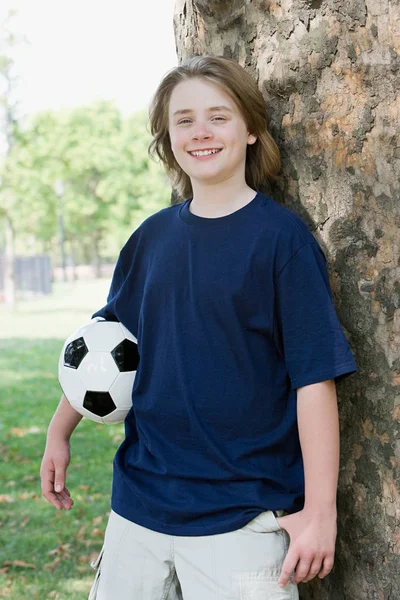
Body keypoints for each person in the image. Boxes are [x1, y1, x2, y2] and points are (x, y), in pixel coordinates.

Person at [40, 55, 357, 599]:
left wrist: (319, 512)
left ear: (251, 130)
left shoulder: (281, 242)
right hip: (139, 507)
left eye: (219, 116)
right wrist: (58, 429)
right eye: (184, 119)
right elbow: (110, 345)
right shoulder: (150, 240)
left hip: (243, 518)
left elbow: (314, 381)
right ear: (168, 136)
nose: (201, 132)